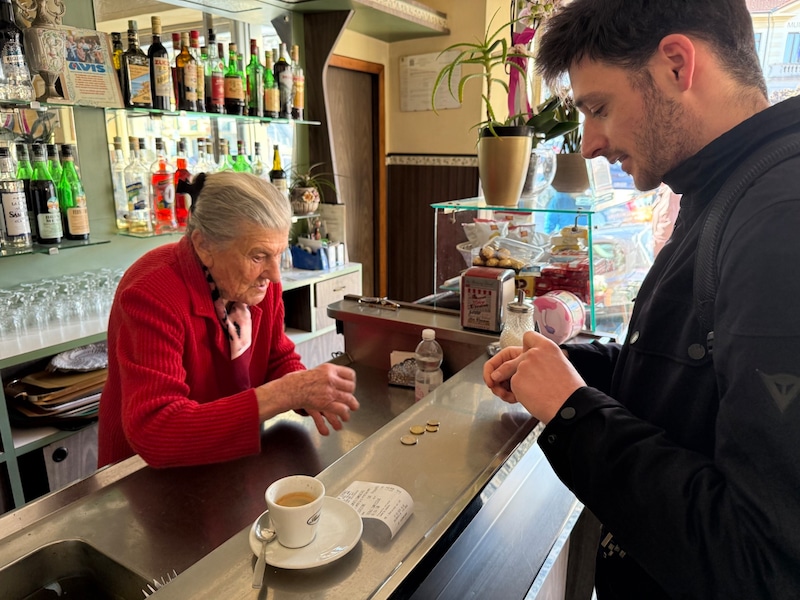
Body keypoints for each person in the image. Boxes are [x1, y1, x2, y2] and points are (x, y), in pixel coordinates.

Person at [483, 1, 800, 598]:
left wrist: (575, 412)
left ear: (678, 65)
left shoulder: (780, 220)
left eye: (598, 108)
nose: (591, 142)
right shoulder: (725, 185)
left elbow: (761, 562)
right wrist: (579, 366)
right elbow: (697, 378)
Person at [98, 172, 359, 469]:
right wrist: (286, 392)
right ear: (204, 245)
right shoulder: (152, 292)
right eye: (258, 256)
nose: (274, 275)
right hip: (142, 476)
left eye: (279, 254)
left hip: (226, 457)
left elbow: (275, 357)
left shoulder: (261, 283)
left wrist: (305, 391)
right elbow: (157, 430)